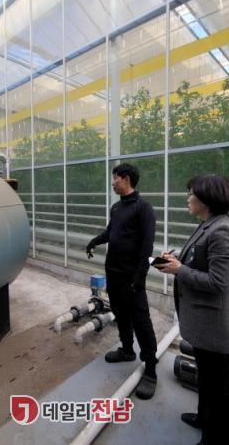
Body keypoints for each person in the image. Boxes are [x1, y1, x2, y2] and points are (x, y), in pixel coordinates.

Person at [154, 175, 229, 445]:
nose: (188, 198)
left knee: (218, 387)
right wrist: (176, 261)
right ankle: (204, 417)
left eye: (191, 193)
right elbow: (199, 261)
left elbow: (218, 283)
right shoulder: (207, 225)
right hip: (204, 322)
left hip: (214, 325)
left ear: (206, 199)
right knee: (206, 377)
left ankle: (217, 439)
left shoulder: (222, 231)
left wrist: (180, 270)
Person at [86, 163, 158, 399]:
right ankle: (127, 350)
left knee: (142, 322)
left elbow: (147, 246)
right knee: (121, 314)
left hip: (132, 277)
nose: (112, 182)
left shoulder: (143, 208)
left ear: (125, 179)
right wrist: (94, 241)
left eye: (115, 178)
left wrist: (140, 277)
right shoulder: (117, 207)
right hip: (114, 274)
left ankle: (150, 371)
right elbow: (110, 232)